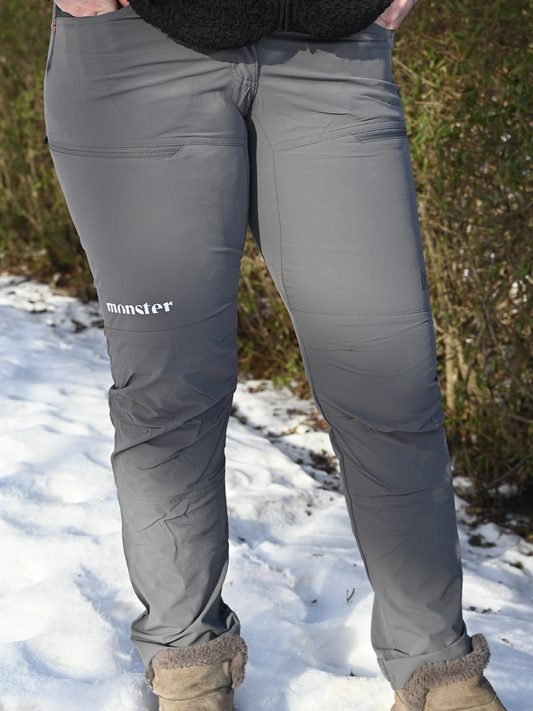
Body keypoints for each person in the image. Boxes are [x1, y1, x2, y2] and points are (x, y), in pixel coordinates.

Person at [43, 0, 509, 709]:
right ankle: (187, 660)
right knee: (168, 391)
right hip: (137, 50)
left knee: (387, 381)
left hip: (333, 51)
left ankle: (438, 668)